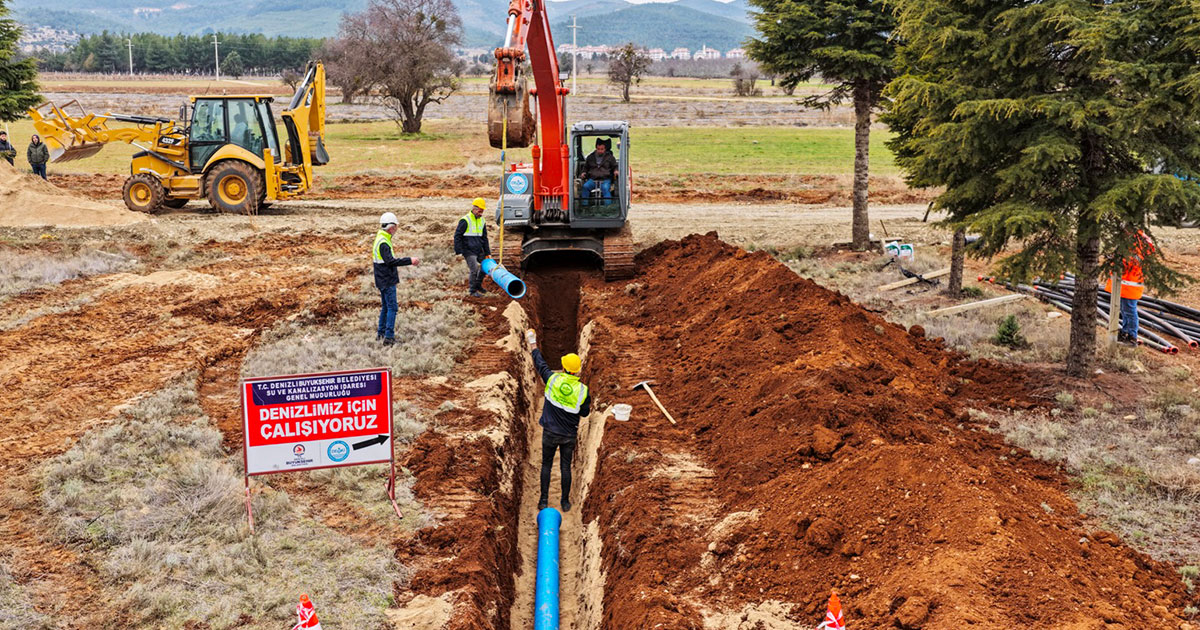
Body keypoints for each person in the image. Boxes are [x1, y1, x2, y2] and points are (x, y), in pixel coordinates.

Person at [525, 328, 591, 513]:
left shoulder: (553, 380)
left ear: (563, 368)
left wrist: (532, 343)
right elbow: (585, 413)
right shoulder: (583, 391)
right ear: (577, 371)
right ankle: (564, 502)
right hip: (568, 435)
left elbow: (540, 364)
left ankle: (543, 500)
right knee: (565, 467)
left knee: (546, 464)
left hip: (549, 433)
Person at [373, 212, 420, 345]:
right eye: (396, 227)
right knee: (392, 308)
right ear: (391, 227)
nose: (397, 230)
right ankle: (388, 338)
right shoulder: (384, 242)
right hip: (386, 280)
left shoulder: (381, 237)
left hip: (382, 279)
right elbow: (391, 261)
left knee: (386, 307)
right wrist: (410, 260)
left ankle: (381, 334)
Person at [1106, 229, 1155, 345]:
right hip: (1126, 284)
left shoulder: (1138, 242)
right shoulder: (1134, 240)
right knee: (1125, 310)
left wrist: (1117, 259)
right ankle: (1126, 333)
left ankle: (1131, 336)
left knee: (1129, 310)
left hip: (1130, 284)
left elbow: (1135, 261)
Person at [454, 198, 491, 297]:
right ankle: (472, 291)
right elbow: (457, 235)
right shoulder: (465, 220)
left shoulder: (482, 221)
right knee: (474, 269)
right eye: (479, 211)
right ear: (474, 209)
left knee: (484, 267)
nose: (481, 213)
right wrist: (459, 251)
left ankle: (478, 285)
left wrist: (487, 253)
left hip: (479, 249)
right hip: (468, 250)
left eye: (482, 211)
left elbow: (484, 238)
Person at [580, 138, 617, 204]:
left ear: (605, 149)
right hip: (593, 179)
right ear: (596, 148)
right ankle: (584, 207)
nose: (600, 151)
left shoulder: (610, 157)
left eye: (602, 149)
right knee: (585, 187)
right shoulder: (590, 157)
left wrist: (616, 171)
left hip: (605, 179)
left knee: (605, 188)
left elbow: (615, 166)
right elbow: (585, 167)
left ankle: (608, 208)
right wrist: (583, 172)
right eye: (598, 149)